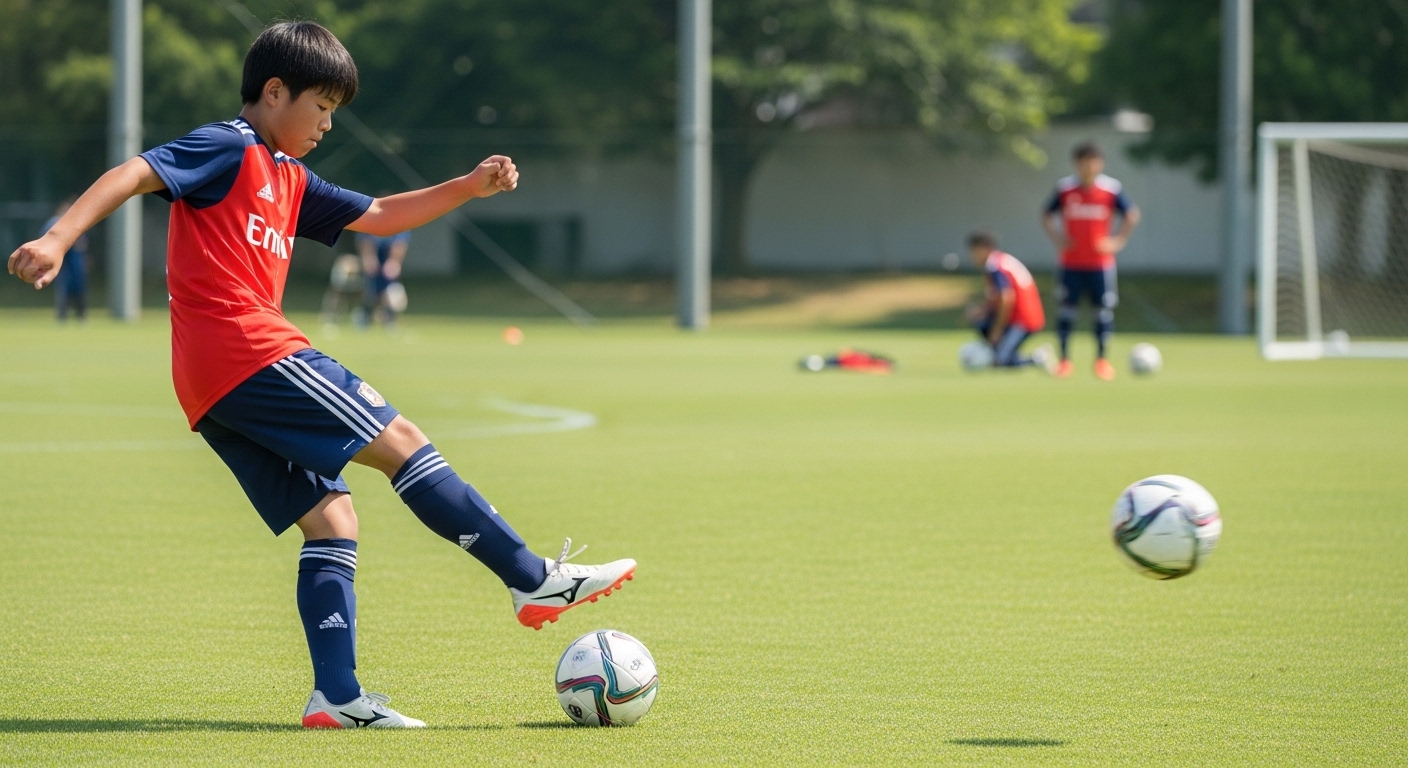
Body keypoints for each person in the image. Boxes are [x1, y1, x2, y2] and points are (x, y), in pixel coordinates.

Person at [7, 21, 635, 730]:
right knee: (401, 439)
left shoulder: (290, 176)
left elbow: (380, 214)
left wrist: (468, 186)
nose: (328, 124)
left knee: (333, 521)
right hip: (248, 352)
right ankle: (532, 579)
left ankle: (336, 696)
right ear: (274, 92)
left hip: (213, 384)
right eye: (322, 106)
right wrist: (57, 238)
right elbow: (134, 172)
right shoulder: (229, 147)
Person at [1041, 142, 1140, 380]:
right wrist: (1057, 238)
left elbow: (1131, 214)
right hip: (1071, 263)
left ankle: (1102, 361)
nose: (1087, 167)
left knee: (1102, 312)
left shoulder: (1111, 189)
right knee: (1066, 311)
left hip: (1100, 265)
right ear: (1076, 164)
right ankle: (1064, 361)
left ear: (1100, 164)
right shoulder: (1065, 189)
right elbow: (1046, 214)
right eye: (1083, 162)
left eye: (1092, 161)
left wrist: (1117, 241)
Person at [965, 231, 1053, 371]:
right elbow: (995, 297)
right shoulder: (1001, 261)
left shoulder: (995, 266)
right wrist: (982, 310)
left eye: (974, 251)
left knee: (1001, 360)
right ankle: (999, 352)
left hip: (1023, 319)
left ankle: (1036, 359)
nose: (973, 256)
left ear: (984, 248)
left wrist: (997, 330)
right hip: (1022, 316)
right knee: (981, 321)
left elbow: (1006, 298)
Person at [40, 199, 90, 322]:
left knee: (79, 288)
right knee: (64, 287)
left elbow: (82, 245)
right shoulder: (55, 222)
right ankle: (62, 315)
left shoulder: (78, 223)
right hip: (63, 262)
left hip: (76, 262)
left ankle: (81, 315)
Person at [354, 230, 410, 329]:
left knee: (396, 300)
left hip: (387, 264)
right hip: (373, 262)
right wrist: (368, 258)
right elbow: (364, 240)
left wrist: (394, 261)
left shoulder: (399, 225)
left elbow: (400, 243)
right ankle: (365, 315)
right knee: (370, 292)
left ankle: (389, 318)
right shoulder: (369, 223)